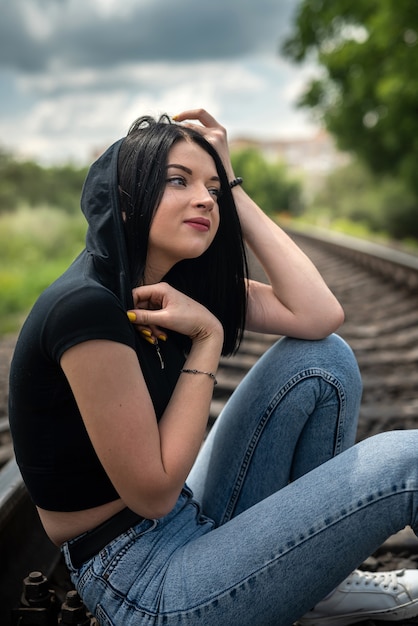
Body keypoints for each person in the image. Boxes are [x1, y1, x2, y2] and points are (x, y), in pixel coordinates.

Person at [8, 108, 418, 626]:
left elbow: (319, 316)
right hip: (144, 584)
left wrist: (235, 184)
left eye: (213, 189)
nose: (205, 198)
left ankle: (319, 586)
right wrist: (207, 338)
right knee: (409, 462)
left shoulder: (170, 283)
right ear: (128, 201)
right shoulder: (86, 307)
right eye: (178, 181)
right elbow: (153, 494)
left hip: (183, 523)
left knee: (322, 358)